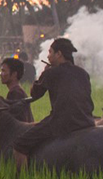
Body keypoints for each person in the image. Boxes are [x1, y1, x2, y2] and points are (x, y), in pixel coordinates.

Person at [13, 38, 96, 171]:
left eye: (50, 52)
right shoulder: (83, 73)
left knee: (20, 144)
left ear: (59, 54)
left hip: (62, 121)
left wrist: (44, 73)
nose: (48, 55)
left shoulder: (51, 72)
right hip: (86, 119)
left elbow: (35, 94)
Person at [0, 57, 33, 123]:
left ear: (14, 74)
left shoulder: (15, 93)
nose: (1, 74)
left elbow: (15, 121)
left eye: (4, 71)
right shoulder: (18, 91)